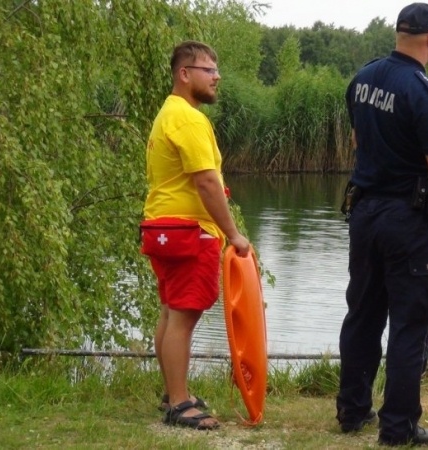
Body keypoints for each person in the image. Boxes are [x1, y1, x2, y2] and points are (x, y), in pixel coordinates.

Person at [335, 3, 428, 447]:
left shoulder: (362, 78)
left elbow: (359, 139)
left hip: (363, 213)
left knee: (363, 313)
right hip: (407, 220)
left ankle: (352, 411)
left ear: (399, 34)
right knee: (412, 321)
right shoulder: (425, 92)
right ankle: (399, 427)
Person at [142, 40, 250, 430]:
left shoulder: (167, 114)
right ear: (185, 74)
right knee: (183, 318)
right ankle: (179, 404)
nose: (217, 76)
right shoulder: (189, 119)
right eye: (209, 69)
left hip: (162, 227)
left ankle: (175, 393)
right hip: (189, 231)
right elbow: (206, 181)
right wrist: (233, 233)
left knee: (172, 312)